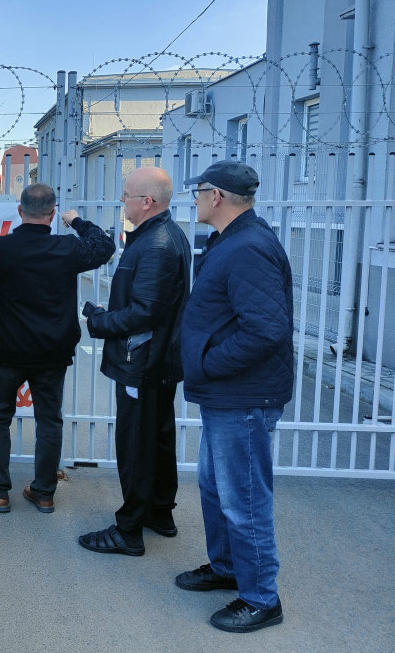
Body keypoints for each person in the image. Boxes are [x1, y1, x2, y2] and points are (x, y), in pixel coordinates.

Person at [175, 161, 293, 633]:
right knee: (215, 487)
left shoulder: (248, 247)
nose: (195, 199)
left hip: (243, 396)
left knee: (243, 498)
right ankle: (227, 568)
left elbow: (266, 330)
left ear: (217, 196)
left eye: (199, 191)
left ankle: (261, 598)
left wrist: (206, 363)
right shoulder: (230, 241)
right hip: (228, 394)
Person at [0, 183, 115, 513]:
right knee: (50, 421)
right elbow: (104, 246)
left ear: (20, 211)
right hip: (52, 352)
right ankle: (43, 493)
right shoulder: (67, 248)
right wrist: (77, 221)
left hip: (7, 352)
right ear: (53, 214)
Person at [77, 167, 191, 557]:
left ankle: (129, 531)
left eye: (126, 195)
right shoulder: (161, 235)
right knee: (156, 439)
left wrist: (99, 322)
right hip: (154, 361)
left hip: (142, 362)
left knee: (137, 445)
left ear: (148, 202)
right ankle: (159, 513)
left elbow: (145, 313)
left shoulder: (157, 244)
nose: (121, 200)